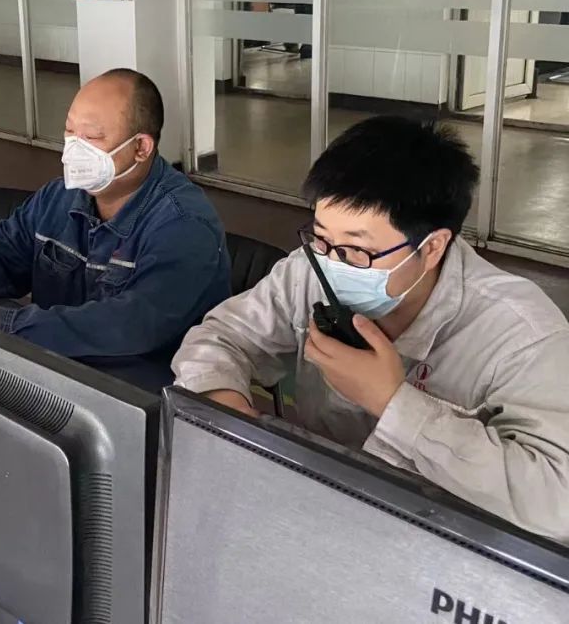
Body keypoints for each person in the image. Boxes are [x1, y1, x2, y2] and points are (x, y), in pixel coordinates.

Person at [172, 116, 569, 543]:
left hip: (441, 540)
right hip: (316, 506)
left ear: (432, 247)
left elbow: (557, 503)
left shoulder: (522, 335)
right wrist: (225, 406)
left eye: (357, 250)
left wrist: (394, 404)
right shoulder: (311, 271)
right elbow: (222, 336)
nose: (332, 263)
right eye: (321, 239)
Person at [0, 68, 230, 374]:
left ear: (141, 147)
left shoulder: (185, 225)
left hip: (137, 389)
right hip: (56, 371)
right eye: (70, 133)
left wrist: (2, 322)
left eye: (92, 137)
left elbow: (132, 326)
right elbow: (3, 246)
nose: (73, 150)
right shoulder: (59, 197)